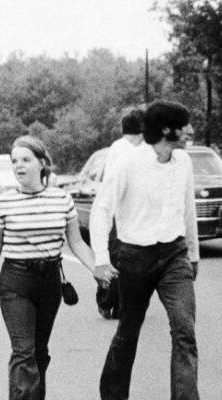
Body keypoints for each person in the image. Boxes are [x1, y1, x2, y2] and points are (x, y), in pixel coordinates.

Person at [90, 100, 208, 400]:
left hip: (174, 255)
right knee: (129, 327)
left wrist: (193, 254)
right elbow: (102, 210)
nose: (191, 131)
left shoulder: (183, 162)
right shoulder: (128, 162)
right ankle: (113, 398)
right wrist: (101, 258)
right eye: (185, 126)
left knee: (184, 329)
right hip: (135, 256)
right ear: (167, 131)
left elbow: (188, 208)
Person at [0, 136, 107, 400]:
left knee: (39, 349)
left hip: (49, 280)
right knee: (23, 349)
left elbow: (76, 242)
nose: (18, 166)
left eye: (25, 159)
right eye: (14, 161)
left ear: (42, 164)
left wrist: (97, 268)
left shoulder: (62, 199)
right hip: (15, 281)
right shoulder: (2, 202)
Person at [96, 106, 145, 319]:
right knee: (120, 258)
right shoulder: (128, 149)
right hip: (121, 212)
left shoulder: (116, 147)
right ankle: (109, 300)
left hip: (120, 211)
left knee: (119, 258)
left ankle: (110, 300)